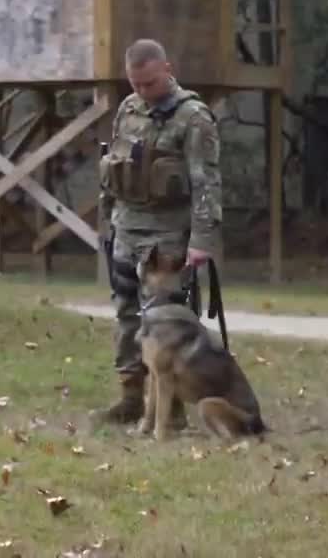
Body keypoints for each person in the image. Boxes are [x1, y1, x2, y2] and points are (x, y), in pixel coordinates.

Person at [97, 38, 223, 427]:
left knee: (166, 324)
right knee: (127, 316)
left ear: (167, 70)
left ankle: (172, 409)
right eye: (135, 83)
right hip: (126, 228)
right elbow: (116, 168)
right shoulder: (128, 109)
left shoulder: (193, 118)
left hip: (167, 238)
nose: (141, 91)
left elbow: (207, 183)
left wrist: (202, 241)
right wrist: (108, 216)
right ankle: (131, 397)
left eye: (149, 83)